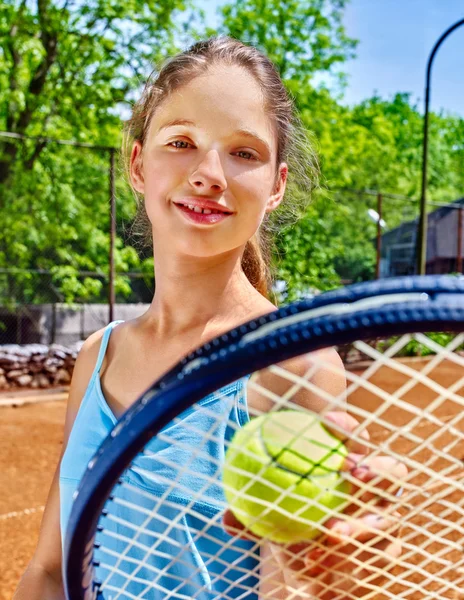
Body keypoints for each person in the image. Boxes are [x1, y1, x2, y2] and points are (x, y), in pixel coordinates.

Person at [14, 36, 405, 600]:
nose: (209, 172)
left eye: (244, 152)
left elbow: (294, 583)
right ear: (138, 164)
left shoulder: (292, 365)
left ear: (277, 186)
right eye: (181, 142)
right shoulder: (98, 354)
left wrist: (326, 583)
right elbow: (50, 572)